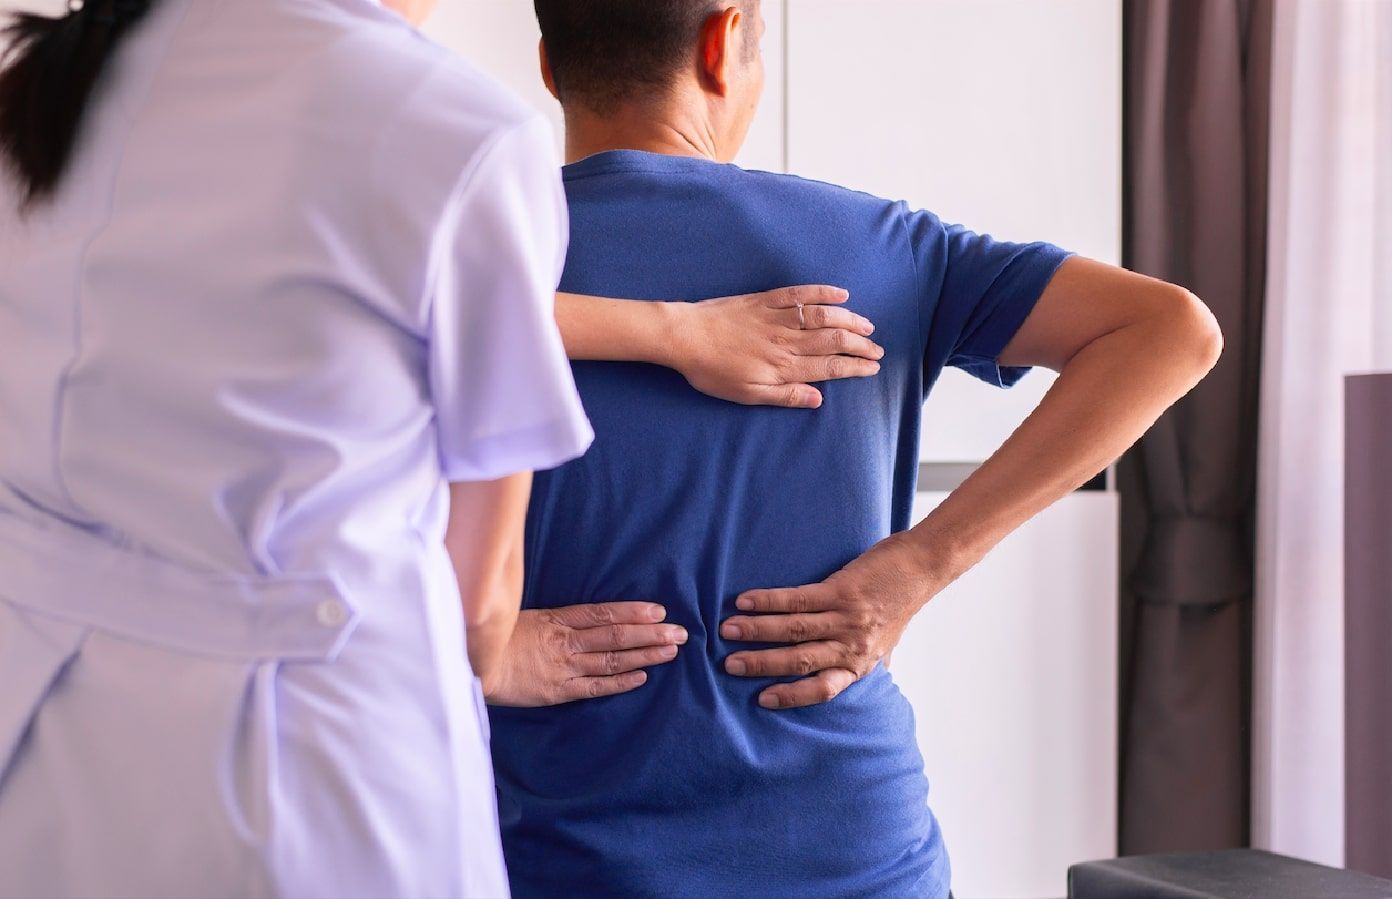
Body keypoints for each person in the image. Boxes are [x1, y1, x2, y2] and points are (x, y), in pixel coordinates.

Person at [0, 0, 877, 896]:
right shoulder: (450, 131)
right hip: (302, 776)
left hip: (50, 745)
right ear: (725, 44)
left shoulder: (49, 86)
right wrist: (496, 654)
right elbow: (479, 595)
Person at [481, 1, 1225, 897]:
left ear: (550, 67)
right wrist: (919, 564)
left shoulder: (466, 277)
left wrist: (467, 644)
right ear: (724, 45)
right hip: (855, 856)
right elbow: (1172, 329)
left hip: (559, 856)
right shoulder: (880, 248)